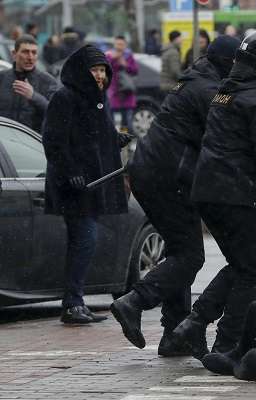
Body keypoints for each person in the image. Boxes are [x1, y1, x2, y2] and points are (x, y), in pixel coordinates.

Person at [168, 29, 256, 357]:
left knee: (241, 264)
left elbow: (254, 133)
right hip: (236, 194)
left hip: (209, 191)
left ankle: (194, 322)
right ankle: (228, 343)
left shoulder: (227, 92)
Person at [110, 36, 242, 356]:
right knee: (190, 255)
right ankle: (135, 301)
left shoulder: (195, 79)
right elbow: (230, 134)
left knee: (179, 251)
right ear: (228, 63)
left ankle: (174, 334)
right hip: (168, 177)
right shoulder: (207, 90)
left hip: (154, 172)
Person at [42, 45, 131, 324]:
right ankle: (72, 303)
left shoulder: (99, 100)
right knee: (85, 240)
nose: (100, 76)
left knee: (85, 242)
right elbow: (54, 140)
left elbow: (95, 134)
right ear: (82, 71)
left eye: (104, 70)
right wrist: (70, 172)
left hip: (93, 186)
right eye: (95, 70)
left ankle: (75, 302)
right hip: (73, 188)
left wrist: (114, 139)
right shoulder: (65, 97)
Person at [0, 35, 58, 132]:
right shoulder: (2, 77)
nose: (30, 57)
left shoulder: (47, 81)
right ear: (14, 54)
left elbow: (57, 113)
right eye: (25, 52)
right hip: (4, 142)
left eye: (34, 53)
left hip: (31, 143)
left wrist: (33, 96)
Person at [106, 36, 139, 135]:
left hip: (127, 93)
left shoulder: (129, 56)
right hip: (114, 94)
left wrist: (125, 65)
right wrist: (113, 59)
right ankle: (114, 140)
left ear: (125, 45)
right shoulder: (109, 56)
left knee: (127, 122)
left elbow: (135, 71)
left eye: (122, 44)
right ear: (114, 44)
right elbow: (104, 68)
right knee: (112, 121)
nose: (119, 47)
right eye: (117, 44)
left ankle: (124, 140)